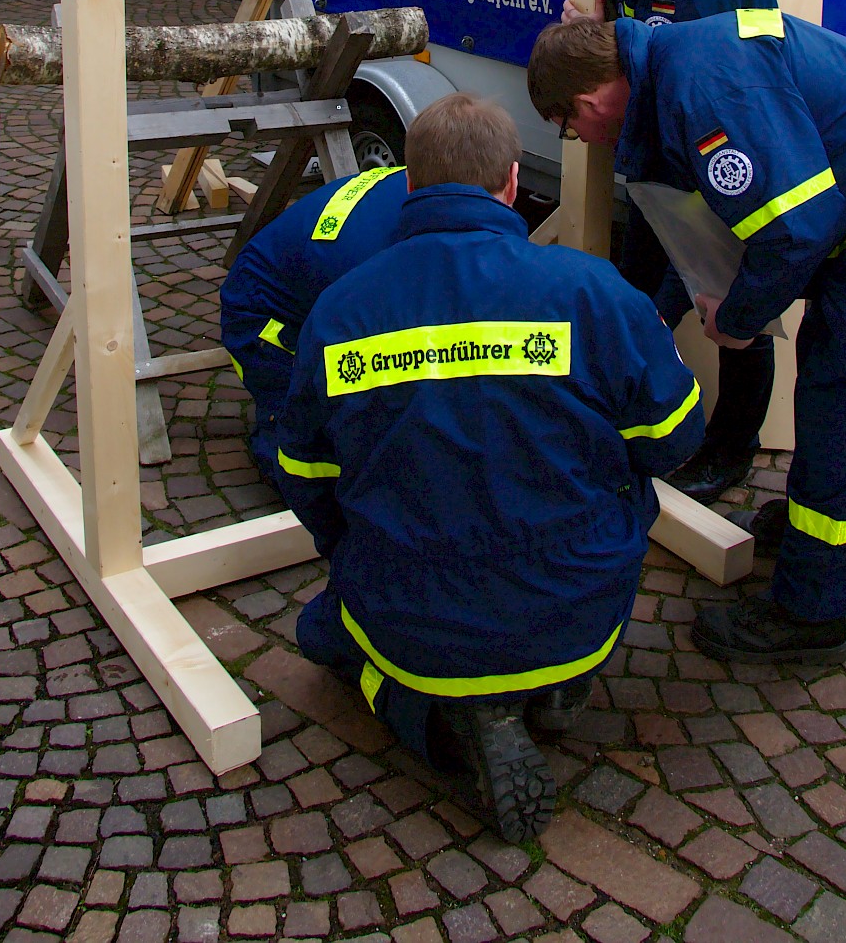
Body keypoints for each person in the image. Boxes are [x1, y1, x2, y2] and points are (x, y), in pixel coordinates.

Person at [526, 13, 846, 665]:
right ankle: (805, 536)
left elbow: (795, 229)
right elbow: (699, 227)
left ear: (588, 100)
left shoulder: (698, 87)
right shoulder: (672, 67)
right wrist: (656, 313)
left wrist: (738, 322)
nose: (585, 141)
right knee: (829, 388)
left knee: (844, 409)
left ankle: (808, 615)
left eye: (573, 130)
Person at [275, 92, 703, 841]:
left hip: (413, 608)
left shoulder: (339, 313)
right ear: (511, 182)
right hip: (578, 598)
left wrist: (354, 552)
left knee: (321, 634)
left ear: (408, 186)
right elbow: (673, 440)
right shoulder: (596, 292)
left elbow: (305, 478)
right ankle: (563, 680)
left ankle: (449, 728)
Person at [523, 0, 778, 502]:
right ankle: (632, 422)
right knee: (643, 290)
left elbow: (681, 89)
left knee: (731, 296)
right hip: (687, 130)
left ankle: (729, 451)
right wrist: (607, 30)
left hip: (724, 140)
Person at [221, 165, 408, 486]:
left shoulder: (426, 179)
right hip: (262, 315)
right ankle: (280, 441)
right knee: (320, 461)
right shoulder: (365, 258)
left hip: (315, 281)